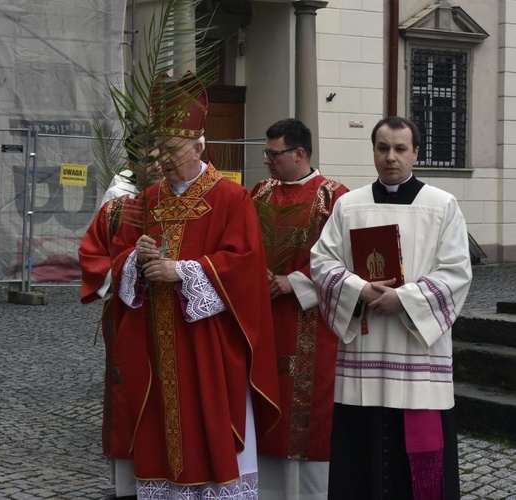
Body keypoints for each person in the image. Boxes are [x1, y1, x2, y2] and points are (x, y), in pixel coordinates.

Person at [110, 72, 281, 499]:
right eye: (159, 149)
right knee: (159, 436)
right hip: (156, 344)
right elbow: (116, 258)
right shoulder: (147, 199)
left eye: (172, 149)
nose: (163, 159)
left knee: (210, 435)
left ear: (199, 145)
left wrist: (183, 272)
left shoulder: (230, 197)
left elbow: (244, 265)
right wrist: (137, 259)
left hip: (209, 345)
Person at [310, 116, 472, 499]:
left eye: (400, 149)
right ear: (374, 151)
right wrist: (360, 289)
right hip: (363, 354)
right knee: (360, 463)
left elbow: (456, 273)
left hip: (417, 354)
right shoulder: (349, 206)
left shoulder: (442, 205)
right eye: (383, 148)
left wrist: (404, 298)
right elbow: (322, 263)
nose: (391, 157)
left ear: (415, 152)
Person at [251, 118, 348, 500]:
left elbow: (344, 258)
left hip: (311, 320)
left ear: (300, 153)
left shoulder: (335, 197)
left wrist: (293, 281)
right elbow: (242, 244)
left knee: (308, 412)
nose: (267, 161)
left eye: (273, 154)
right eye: (267, 153)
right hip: (262, 317)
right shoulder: (259, 193)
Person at [79, 130, 162, 500]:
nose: (156, 165)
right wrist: (130, 267)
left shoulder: (185, 198)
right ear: (131, 163)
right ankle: (128, 483)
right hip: (130, 312)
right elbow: (94, 254)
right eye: (147, 159)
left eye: (160, 156)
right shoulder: (119, 204)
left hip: (174, 311)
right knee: (128, 390)